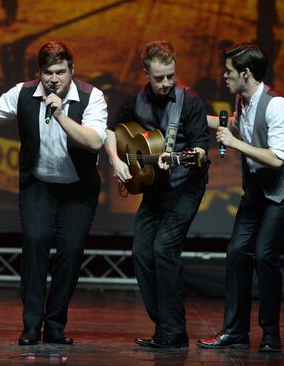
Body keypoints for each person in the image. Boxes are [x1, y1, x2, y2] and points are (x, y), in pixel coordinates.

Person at [0, 41, 107, 345]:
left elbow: (94, 141)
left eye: (61, 72)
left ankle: (55, 325)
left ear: (72, 70)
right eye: (48, 73)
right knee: (35, 246)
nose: (54, 79)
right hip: (39, 185)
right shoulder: (25, 92)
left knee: (71, 253)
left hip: (78, 189)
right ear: (40, 72)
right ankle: (32, 325)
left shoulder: (91, 96)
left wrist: (61, 115)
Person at [104, 40, 209, 348]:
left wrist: (180, 157)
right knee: (141, 253)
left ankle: (174, 333)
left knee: (164, 250)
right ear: (146, 72)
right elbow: (112, 129)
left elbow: (201, 152)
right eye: (159, 77)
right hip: (153, 188)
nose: (166, 83)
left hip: (186, 186)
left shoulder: (189, 102)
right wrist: (115, 161)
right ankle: (163, 324)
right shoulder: (135, 100)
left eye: (171, 76)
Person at [197, 43, 284, 352]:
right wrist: (195, 116)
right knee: (236, 254)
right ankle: (235, 331)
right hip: (255, 190)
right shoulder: (242, 100)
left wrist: (234, 142)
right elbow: (236, 127)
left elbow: (276, 158)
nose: (224, 76)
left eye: (230, 72)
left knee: (264, 256)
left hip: (279, 192)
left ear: (246, 74)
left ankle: (271, 334)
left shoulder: (276, 106)